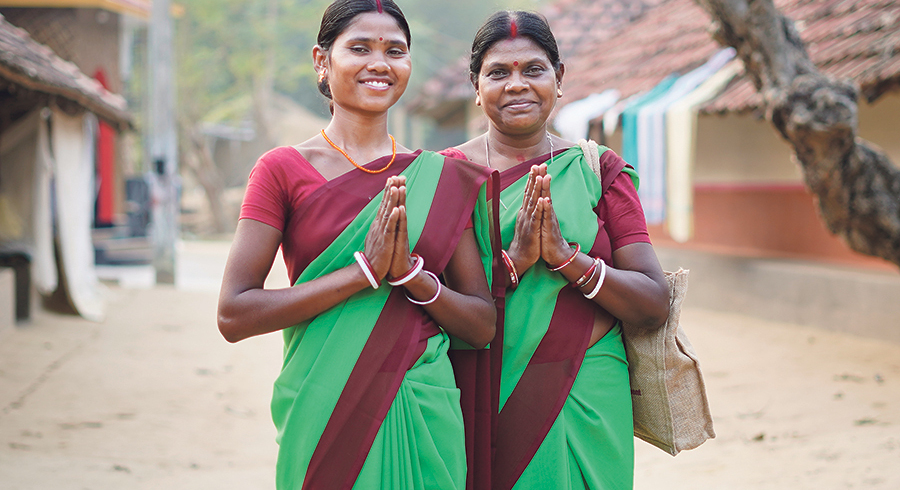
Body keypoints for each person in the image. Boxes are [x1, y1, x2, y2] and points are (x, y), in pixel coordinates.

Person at [216, 1, 497, 488]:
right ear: (322, 61)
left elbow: (481, 325)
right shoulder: (281, 170)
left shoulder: (440, 178)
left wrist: (411, 276)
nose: (379, 63)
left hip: (421, 401)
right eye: (360, 48)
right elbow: (234, 314)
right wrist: (362, 274)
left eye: (395, 50)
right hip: (323, 399)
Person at [440, 10, 670, 490]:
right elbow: (425, 301)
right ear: (476, 86)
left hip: (587, 389)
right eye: (499, 72)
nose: (517, 84)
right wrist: (514, 263)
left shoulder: (599, 172)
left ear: (559, 79)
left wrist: (568, 259)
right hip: (482, 386)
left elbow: (653, 303)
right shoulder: (443, 179)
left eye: (534, 69)